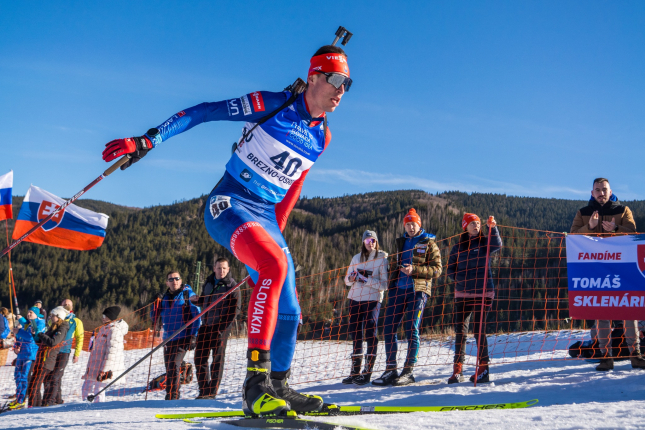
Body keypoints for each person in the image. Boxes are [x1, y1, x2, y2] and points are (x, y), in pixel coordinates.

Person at [101, 43, 351, 415]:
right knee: (275, 268)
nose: (340, 90)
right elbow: (205, 111)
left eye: (347, 84)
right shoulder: (274, 103)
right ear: (313, 76)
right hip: (229, 204)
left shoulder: (322, 136)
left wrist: (269, 245)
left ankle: (279, 386)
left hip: (265, 217)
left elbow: (293, 188)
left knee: (290, 308)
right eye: (334, 79)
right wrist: (149, 138)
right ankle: (255, 386)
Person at [570, 177, 645, 371]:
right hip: (596, 269)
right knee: (601, 313)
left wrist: (617, 228)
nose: (601, 193)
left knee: (629, 311)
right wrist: (591, 227)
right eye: (597, 190)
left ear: (610, 192)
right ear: (592, 192)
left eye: (604, 189)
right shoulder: (583, 212)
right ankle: (605, 357)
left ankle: (635, 356)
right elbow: (573, 236)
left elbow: (634, 233)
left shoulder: (623, 210)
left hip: (623, 268)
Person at [373, 208, 442, 386]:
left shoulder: (429, 243)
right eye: (408, 224)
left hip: (417, 290)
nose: (411, 227)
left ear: (420, 224)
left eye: (414, 224)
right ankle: (390, 370)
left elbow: (437, 269)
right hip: (397, 289)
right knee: (388, 328)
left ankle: (408, 371)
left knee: (411, 328)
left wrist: (415, 270)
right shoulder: (401, 242)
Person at [446, 213, 502, 384]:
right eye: (472, 223)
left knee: (478, 329)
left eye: (478, 223)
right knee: (460, 332)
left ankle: (484, 369)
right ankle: (458, 370)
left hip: (483, 293)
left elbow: (497, 244)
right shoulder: (457, 247)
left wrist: (493, 228)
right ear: (465, 226)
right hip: (462, 293)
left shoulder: (485, 242)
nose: (476, 225)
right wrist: (460, 279)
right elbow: (450, 270)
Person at [342, 230, 388, 385]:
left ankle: (367, 372)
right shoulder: (356, 257)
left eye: (373, 240)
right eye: (368, 240)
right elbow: (347, 280)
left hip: (372, 300)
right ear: (363, 242)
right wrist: (352, 278)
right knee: (355, 335)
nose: (371, 243)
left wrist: (365, 279)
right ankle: (354, 372)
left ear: (377, 241)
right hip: (354, 298)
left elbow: (384, 284)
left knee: (370, 333)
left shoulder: (382, 257)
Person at [191, 257, 241, 399]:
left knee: (217, 360)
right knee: (200, 358)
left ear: (228, 269)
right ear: (214, 268)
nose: (221, 271)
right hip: (205, 326)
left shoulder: (232, 286)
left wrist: (222, 328)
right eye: (219, 268)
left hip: (220, 328)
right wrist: (197, 300)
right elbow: (206, 300)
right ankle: (204, 390)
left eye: (224, 268)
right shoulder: (209, 281)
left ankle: (212, 392)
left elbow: (235, 310)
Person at [151, 271, 201, 400]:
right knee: (169, 367)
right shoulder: (165, 298)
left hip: (183, 336)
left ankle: (173, 395)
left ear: (180, 280)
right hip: (167, 338)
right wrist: (154, 304)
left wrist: (194, 336)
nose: (174, 281)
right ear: (167, 282)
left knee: (174, 365)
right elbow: (154, 318)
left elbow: (197, 316)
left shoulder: (188, 295)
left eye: (176, 278)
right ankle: (170, 394)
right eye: (171, 279)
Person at [82, 306, 129, 403]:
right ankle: (85, 406)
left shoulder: (114, 331)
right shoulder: (104, 329)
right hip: (95, 365)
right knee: (86, 387)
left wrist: (105, 370)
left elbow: (112, 352)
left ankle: (98, 409)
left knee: (98, 390)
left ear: (111, 317)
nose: (102, 317)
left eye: (105, 315)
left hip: (104, 367)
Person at [27, 306, 70, 407]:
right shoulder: (53, 327)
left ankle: (32, 408)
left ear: (59, 316)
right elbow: (42, 342)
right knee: (34, 386)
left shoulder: (62, 328)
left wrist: (41, 334)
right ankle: (35, 407)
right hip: (41, 359)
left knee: (33, 386)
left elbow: (52, 342)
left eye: (52, 315)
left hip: (46, 361)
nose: (50, 317)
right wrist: (35, 335)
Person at [8, 307, 46, 410]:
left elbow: (31, 337)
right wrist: (17, 345)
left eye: (31, 312)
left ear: (36, 314)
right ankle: (18, 397)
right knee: (17, 376)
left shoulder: (40, 323)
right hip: (22, 353)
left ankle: (21, 400)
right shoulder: (27, 324)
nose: (28, 314)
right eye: (28, 312)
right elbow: (21, 337)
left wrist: (19, 331)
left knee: (24, 377)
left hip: (30, 354)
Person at [49, 299, 84, 405]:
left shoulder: (76, 321)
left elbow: (80, 338)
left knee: (56, 376)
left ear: (72, 307)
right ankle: (58, 400)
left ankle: (50, 400)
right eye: (65, 304)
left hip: (65, 352)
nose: (67, 306)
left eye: (69, 304)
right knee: (54, 376)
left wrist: (76, 354)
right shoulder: (56, 319)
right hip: (53, 351)